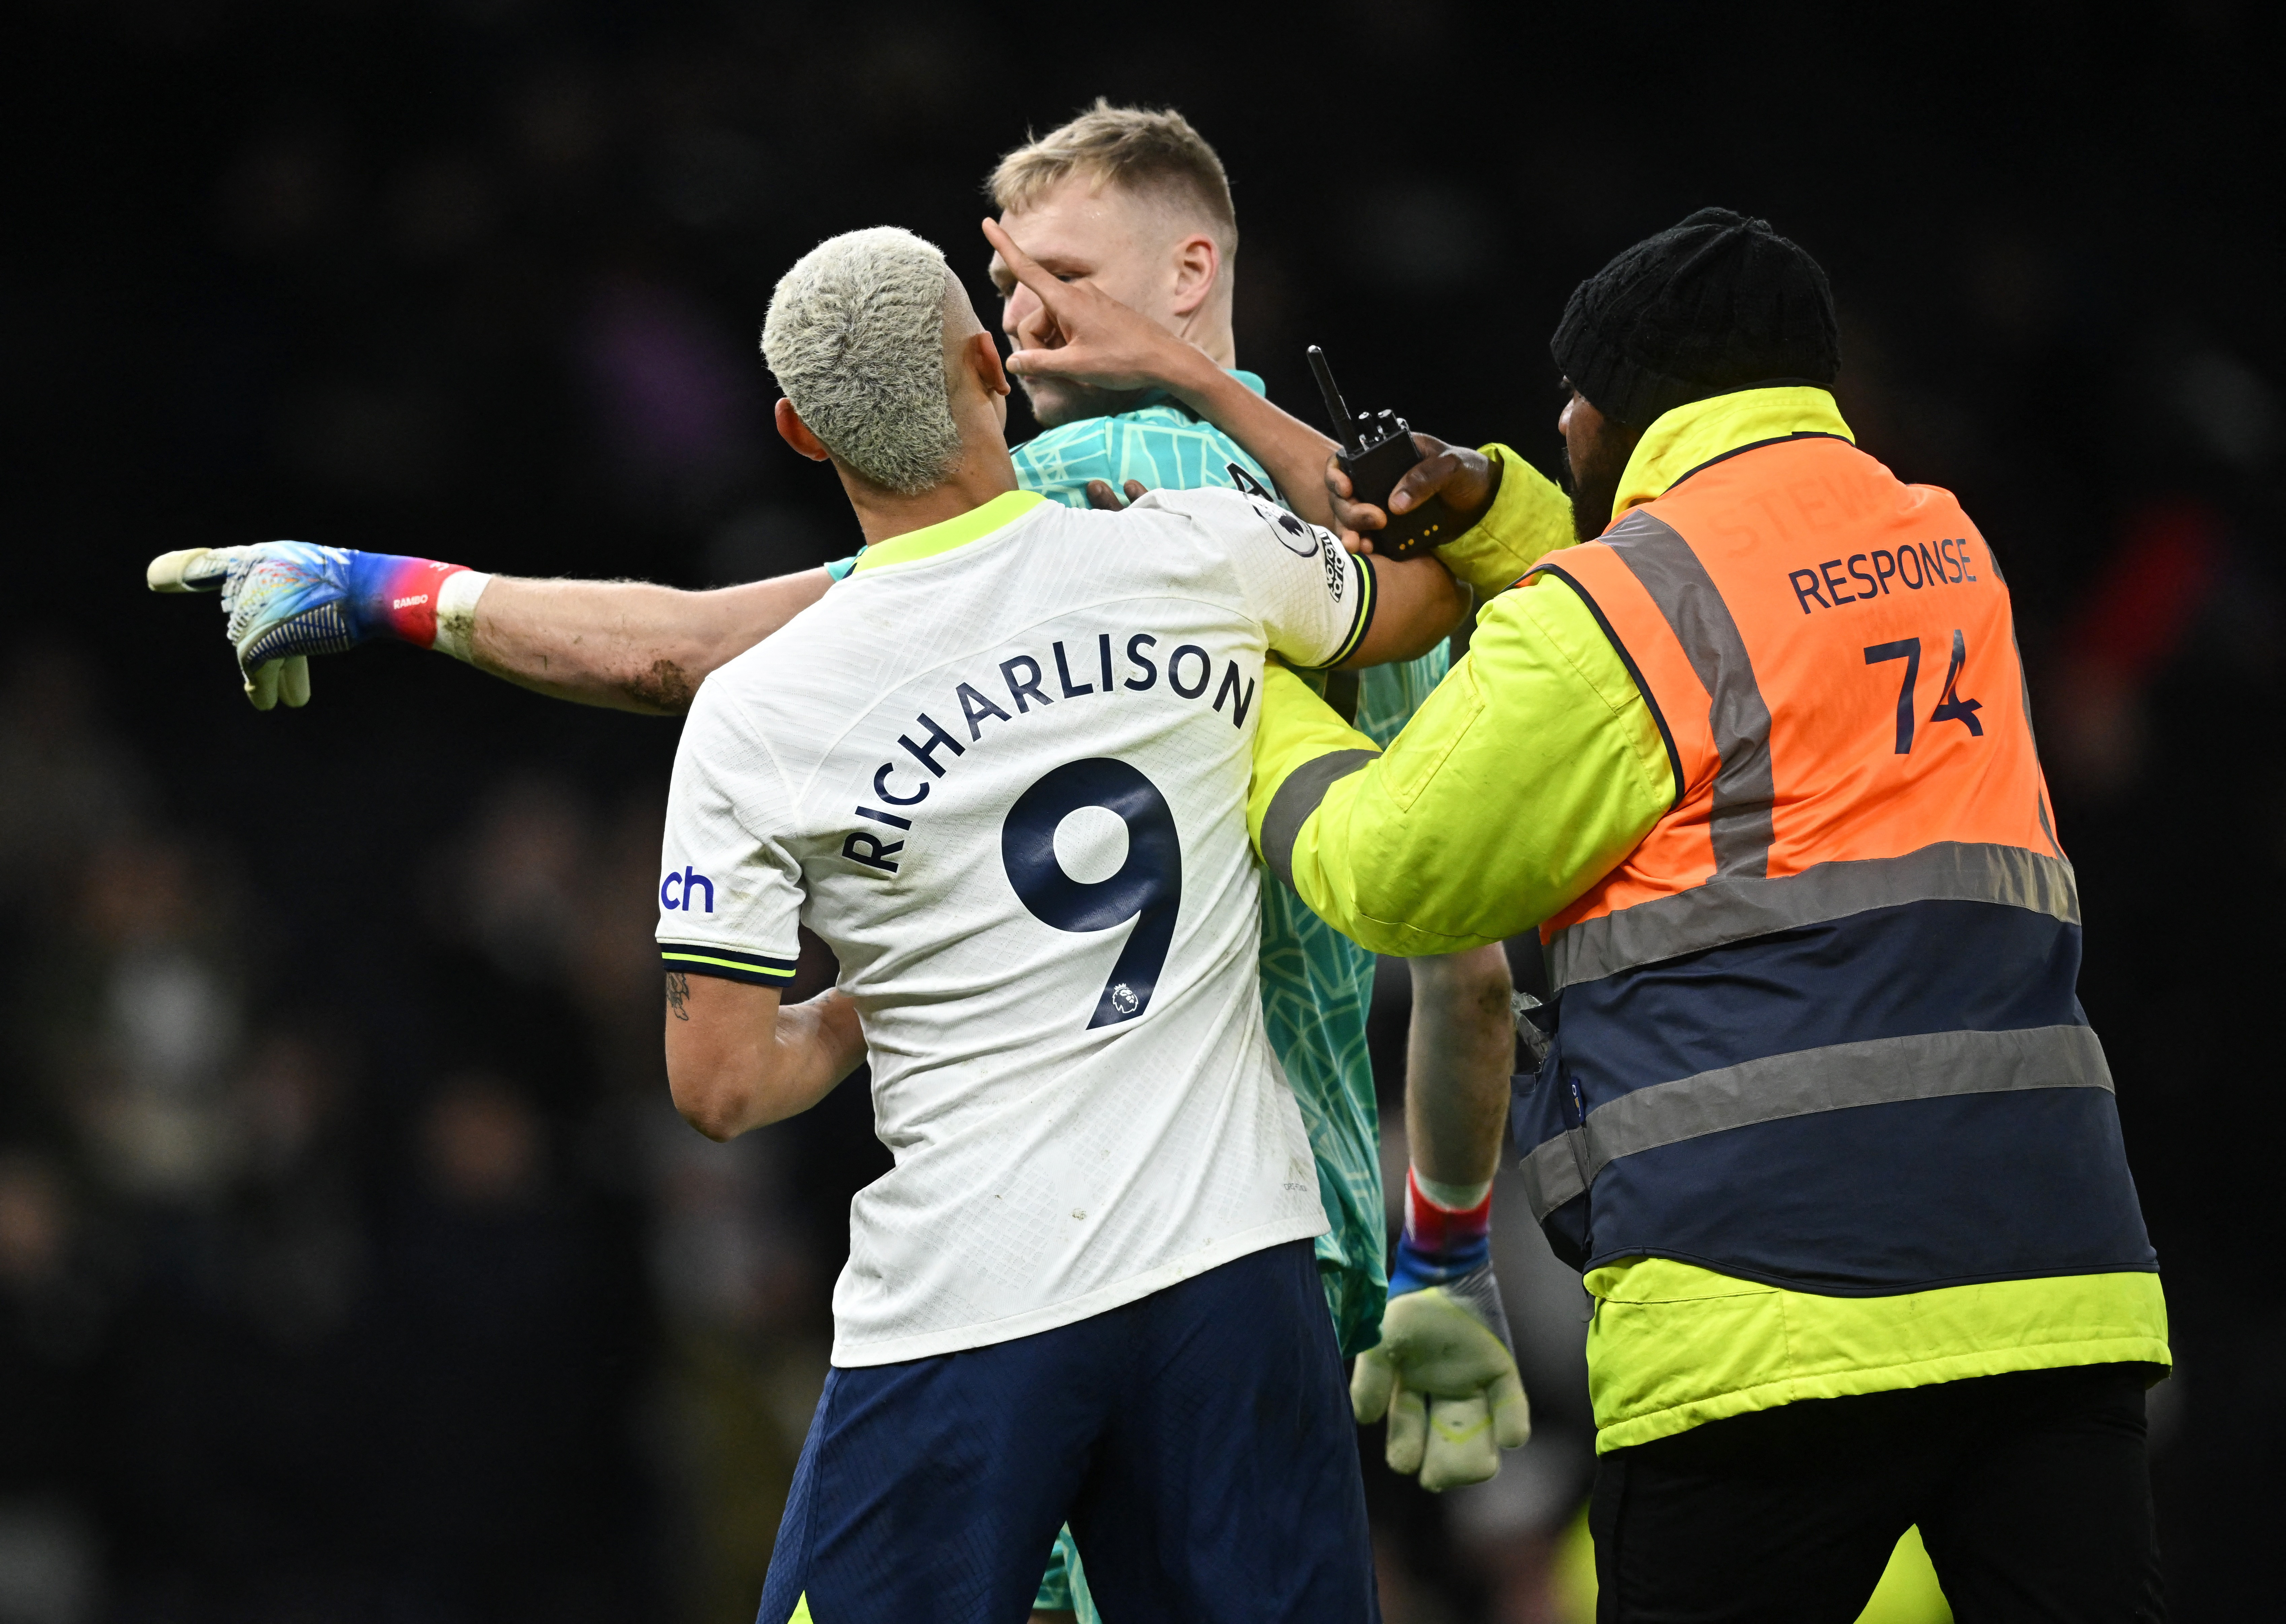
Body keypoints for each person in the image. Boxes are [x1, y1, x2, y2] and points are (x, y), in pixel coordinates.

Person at [147, 101, 1531, 1621]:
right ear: (981, 367)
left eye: (1057, 271)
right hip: (1281, 1245)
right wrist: (1445, 1254)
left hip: (1016, 1281)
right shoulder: (1265, 542)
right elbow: (1461, 946)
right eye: (1003, 288)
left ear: (1192, 266)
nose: (1028, 311)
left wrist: (391, 591)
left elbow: (682, 655)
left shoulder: (1107, 494)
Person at [1008, 205, 2173, 1620]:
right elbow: (1731, 594)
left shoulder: (1619, 615)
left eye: (1572, 399)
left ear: (1619, 408)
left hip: (1773, 1318)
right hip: (2056, 1296)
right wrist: (1501, 514)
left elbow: (1395, 868)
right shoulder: (1943, 548)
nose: (1558, 424)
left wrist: (1238, 683)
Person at [662, 224, 1458, 1621]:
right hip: (1233, 1267)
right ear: (989, 359)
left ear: (798, 431)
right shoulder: (1197, 554)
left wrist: (877, 994)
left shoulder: (757, 713)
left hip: (968, 1300)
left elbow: (721, 1085)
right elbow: (1418, 599)